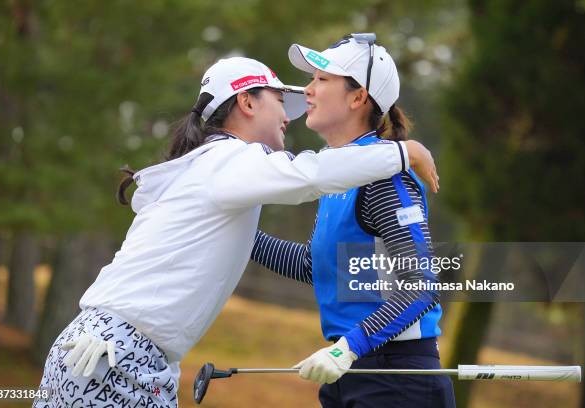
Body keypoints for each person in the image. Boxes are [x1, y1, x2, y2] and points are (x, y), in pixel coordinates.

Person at [34, 55, 440, 408]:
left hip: (109, 351)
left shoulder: (211, 166)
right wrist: (404, 152)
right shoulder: (229, 160)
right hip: (115, 357)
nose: (287, 117)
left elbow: (318, 262)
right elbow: (311, 173)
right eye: (281, 103)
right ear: (246, 101)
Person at [251, 34, 455, 407]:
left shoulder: (384, 176)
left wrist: (349, 347)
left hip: (398, 378)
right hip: (356, 371)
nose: (307, 90)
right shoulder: (337, 174)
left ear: (358, 97)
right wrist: (240, 232)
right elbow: (317, 266)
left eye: (321, 80)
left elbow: (421, 286)